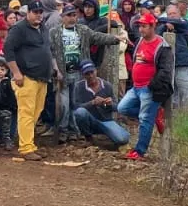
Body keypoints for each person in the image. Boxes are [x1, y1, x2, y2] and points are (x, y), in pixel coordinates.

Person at [119, 12, 174, 162]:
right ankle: (154, 114)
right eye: (140, 26)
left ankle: (140, 151)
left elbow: (166, 70)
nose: (141, 29)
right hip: (136, 87)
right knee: (122, 108)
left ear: (153, 26)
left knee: (144, 120)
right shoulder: (139, 42)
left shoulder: (162, 46)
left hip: (149, 89)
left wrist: (152, 85)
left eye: (144, 26)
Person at [4, 0, 54, 160]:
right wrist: (16, 73)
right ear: (28, 13)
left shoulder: (43, 28)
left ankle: (28, 143)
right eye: (36, 12)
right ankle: (26, 148)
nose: (39, 15)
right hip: (26, 77)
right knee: (26, 112)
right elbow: (8, 50)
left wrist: (53, 70)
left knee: (36, 112)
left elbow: (47, 50)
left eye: (41, 12)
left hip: (42, 77)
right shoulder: (19, 29)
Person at [70, 61, 129, 150]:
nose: (90, 76)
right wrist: (92, 103)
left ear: (96, 71)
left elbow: (117, 107)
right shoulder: (79, 87)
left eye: (92, 72)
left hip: (106, 121)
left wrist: (109, 104)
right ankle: (88, 138)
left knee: (123, 139)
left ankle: (108, 136)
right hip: (90, 121)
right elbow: (75, 107)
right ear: (83, 75)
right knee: (80, 112)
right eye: (87, 74)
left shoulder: (107, 85)